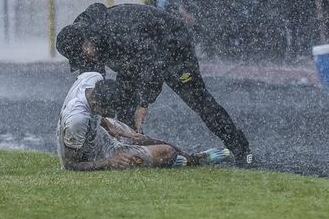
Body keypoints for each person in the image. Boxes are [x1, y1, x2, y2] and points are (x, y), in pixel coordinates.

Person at [55, 2, 252, 166]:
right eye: (83, 55)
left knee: (200, 101)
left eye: (87, 49)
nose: (89, 55)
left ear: (89, 37)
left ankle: (241, 149)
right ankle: (126, 154)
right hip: (134, 58)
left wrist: (143, 104)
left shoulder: (119, 30)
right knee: (123, 106)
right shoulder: (81, 40)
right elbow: (94, 84)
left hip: (172, 48)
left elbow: (154, 63)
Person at [57, 71, 230, 171]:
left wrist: (109, 125)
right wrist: (108, 163)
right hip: (94, 153)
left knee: (137, 136)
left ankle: (187, 157)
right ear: (96, 104)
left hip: (95, 132)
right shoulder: (77, 120)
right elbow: (70, 165)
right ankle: (190, 160)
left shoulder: (92, 78)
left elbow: (94, 114)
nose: (111, 113)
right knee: (167, 152)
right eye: (108, 111)